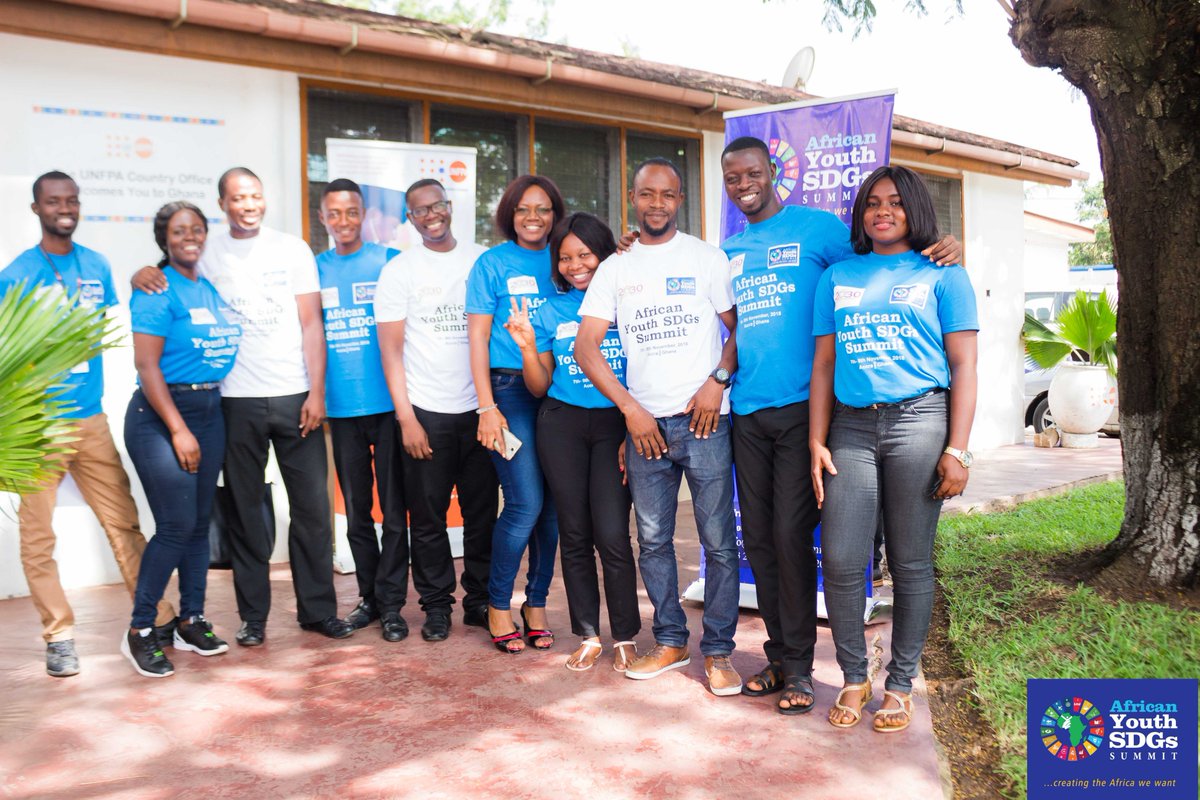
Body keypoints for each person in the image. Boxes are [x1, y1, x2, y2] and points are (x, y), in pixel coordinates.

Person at [719, 137, 961, 713]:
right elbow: (730, 325)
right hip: (754, 412)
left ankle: (836, 675)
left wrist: (945, 245)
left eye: (753, 172)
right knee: (766, 544)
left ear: (773, 172)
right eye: (732, 177)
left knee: (802, 542)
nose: (744, 183)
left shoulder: (820, 231)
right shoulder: (725, 248)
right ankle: (790, 660)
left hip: (829, 412)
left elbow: (888, 262)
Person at [133, 167, 352, 645]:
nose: (247, 205)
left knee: (312, 511)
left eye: (254, 195)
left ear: (263, 199)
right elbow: (166, 273)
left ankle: (317, 610)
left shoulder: (291, 249)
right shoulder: (206, 250)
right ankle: (254, 618)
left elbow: (312, 324)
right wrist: (141, 271)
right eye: (237, 198)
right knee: (247, 512)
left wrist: (318, 392)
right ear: (222, 203)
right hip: (233, 402)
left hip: (297, 397)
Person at [810, 165, 978, 733]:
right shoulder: (837, 275)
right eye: (873, 204)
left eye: (895, 203)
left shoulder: (944, 274)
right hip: (851, 429)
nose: (883, 212)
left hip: (920, 420)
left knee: (910, 562)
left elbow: (964, 366)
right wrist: (816, 438)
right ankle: (854, 676)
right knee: (838, 557)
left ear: (914, 210)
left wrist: (959, 450)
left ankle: (901, 684)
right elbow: (825, 363)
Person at [576, 158, 742, 696]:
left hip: (705, 422)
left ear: (680, 199)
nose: (657, 204)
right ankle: (670, 641)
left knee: (718, 542)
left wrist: (717, 381)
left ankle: (718, 652)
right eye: (647, 194)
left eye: (668, 195)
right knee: (652, 540)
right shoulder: (615, 268)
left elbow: (740, 332)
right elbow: (586, 347)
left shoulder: (706, 258)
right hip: (644, 428)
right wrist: (630, 409)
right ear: (632, 197)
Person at [0, 171, 175, 678]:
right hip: (37, 425)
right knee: (38, 538)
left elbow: (111, 323)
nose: (64, 208)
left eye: (71, 200)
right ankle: (58, 634)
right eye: (53, 201)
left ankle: (156, 620)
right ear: (36, 209)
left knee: (123, 523)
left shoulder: (95, 265)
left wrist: (144, 272)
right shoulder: (16, 274)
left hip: (89, 418)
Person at [503, 212, 639, 672]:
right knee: (575, 535)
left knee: (613, 535)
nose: (575, 265)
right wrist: (525, 347)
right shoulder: (548, 311)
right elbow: (539, 386)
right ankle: (588, 633)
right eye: (564, 258)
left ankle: (624, 635)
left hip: (614, 427)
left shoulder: (627, 302)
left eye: (584, 255)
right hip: (560, 424)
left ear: (604, 254)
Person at [121, 201, 241, 678]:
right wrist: (177, 429)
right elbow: (146, 366)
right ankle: (140, 630)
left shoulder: (207, 287)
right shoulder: (156, 288)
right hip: (160, 415)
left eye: (196, 229)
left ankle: (192, 619)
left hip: (209, 411)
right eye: (178, 230)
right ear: (164, 239)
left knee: (198, 523)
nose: (189, 236)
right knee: (175, 525)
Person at [376, 179, 498, 643]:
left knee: (481, 515)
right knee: (426, 520)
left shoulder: (480, 260)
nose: (432, 215)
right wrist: (406, 418)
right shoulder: (401, 271)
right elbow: (390, 352)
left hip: (480, 410)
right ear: (411, 218)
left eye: (438, 205)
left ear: (450, 207)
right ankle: (436, 606)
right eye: (420, 210)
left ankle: (479, 601)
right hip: (426, 412)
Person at [465, 175, 565, 654]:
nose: (533, 217)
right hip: (508, 392)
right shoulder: (491, 263)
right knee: (524, 503)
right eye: (524, 208)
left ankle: (537, 603)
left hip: (561, 391)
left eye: (543, 209)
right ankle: (498, 603)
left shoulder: (565, 256)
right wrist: (487, 407)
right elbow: (478, 340)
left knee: (553, 512)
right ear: (510, 212)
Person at [315, 179, 407, 637]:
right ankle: (369, 599)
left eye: (352, 212)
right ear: (323, 218)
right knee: (356, 513)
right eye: (335, 213)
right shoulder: (314, 270)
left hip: (390, 407)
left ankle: (393, 604)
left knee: (393, 512)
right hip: (341, 409)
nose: (344, 221)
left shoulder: (390, 262)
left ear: (364, 213)